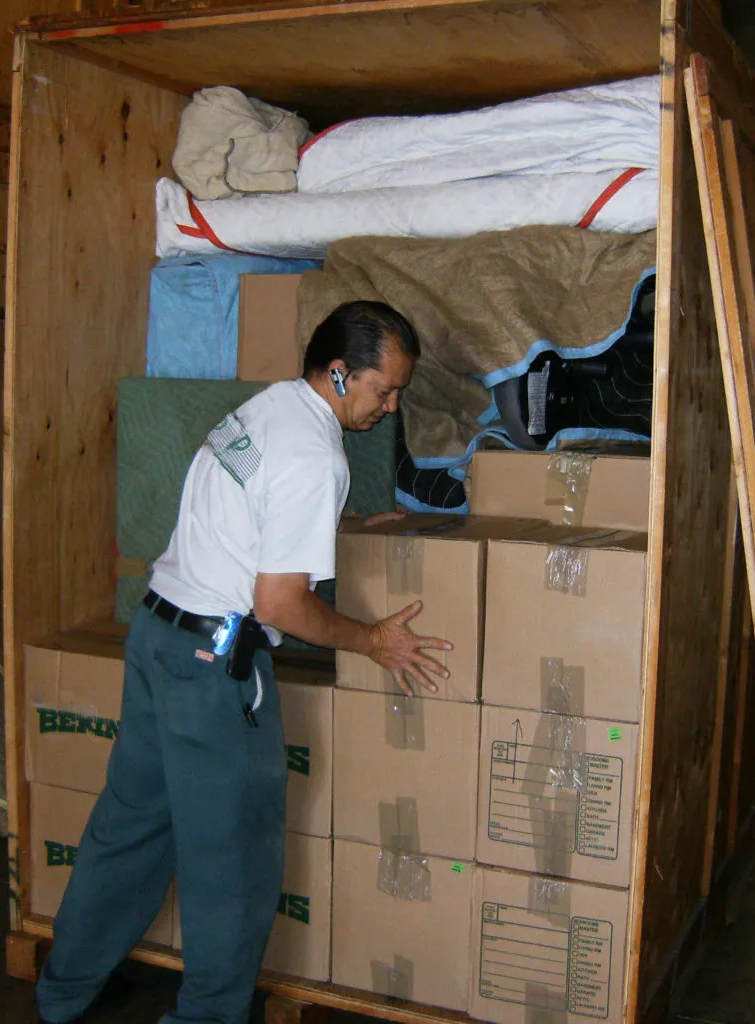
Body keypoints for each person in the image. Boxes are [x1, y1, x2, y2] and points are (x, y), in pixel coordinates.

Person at [35, 301, 452, 1024]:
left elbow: (253, 512)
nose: (389, 406)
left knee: (127, 827)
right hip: (213, 667)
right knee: (231, 869)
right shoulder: (314, 456)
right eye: (383, 389)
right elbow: (280, 605)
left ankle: (60, 995)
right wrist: (370, 639)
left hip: (158, 637)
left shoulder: (266, 411)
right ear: (337, 371)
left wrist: (339, 526)